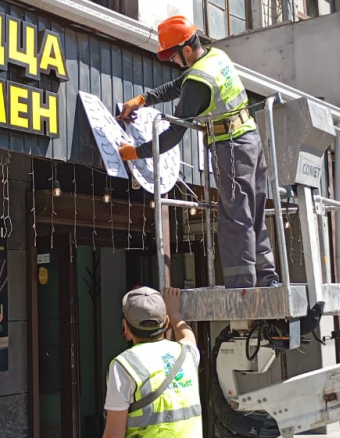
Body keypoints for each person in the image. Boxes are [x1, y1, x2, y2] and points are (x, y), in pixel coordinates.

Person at [117, 15, 279, 289]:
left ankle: (243, 290)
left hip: (231, 148)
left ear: (186, 49)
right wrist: (143, 99)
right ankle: (268, 280)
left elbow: (173, 134)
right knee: (254, 214)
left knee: (235, 220)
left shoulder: (198, 79)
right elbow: (177, 86)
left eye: (173, 56)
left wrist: (135, 152)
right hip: (251, 139)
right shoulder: (216, 57)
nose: (173, 61)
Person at [101, 286, 204, 438]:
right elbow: (188, 336)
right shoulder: (187, 356)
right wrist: (175, 313)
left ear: (125, 327)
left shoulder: (124, 365)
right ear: (166, 322)